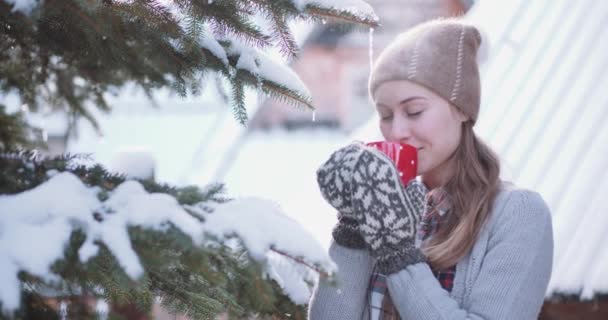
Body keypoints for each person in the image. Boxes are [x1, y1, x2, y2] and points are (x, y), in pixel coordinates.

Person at [308, 18, 553, 320]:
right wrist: (353, 225)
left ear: (461, 109)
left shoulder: (519, 213)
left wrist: (398, 254)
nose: (396, 131)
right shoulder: (382, 205)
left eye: (414, 111)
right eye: (385, 115)